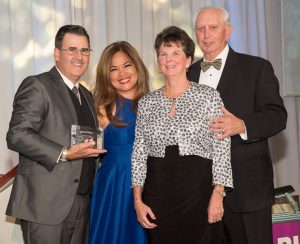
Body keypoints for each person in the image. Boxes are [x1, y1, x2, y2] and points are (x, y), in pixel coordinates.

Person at [187, 6, 287, 244]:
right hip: (200, 192)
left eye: (213, 27)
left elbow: (277, 115)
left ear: (228, 31)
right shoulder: (188, 74)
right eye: (200, 29)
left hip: (247, 191)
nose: (206, 34)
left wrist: (241, 125)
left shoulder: (256, 68)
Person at [131, 26, 233, 244]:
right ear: (158, 61)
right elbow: (138, 154)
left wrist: (218, 193)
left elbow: (222, 148)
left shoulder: (208, 96)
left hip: (198, 191)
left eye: (176, 53)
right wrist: (138, 201)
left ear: (188, 60)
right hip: (158, 193)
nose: (169, 59)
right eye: (163, 54)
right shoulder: (146, 103)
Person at [6, 25, 106, 244]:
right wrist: (64, 153)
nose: (79, 56)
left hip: (83, 202)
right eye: (72, 49)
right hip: (46, 204)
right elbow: (17, 134)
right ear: (57, 54)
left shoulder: (87, 95)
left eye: (85, 50)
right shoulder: (38, 85)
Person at [89, 41, 149, 244]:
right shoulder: (103, 108)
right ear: (106, 75)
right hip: (115, 185)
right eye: (113, 69)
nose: (121, 73)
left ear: (137, 66)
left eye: (126, 65)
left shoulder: (155, 102)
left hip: (151, 183)